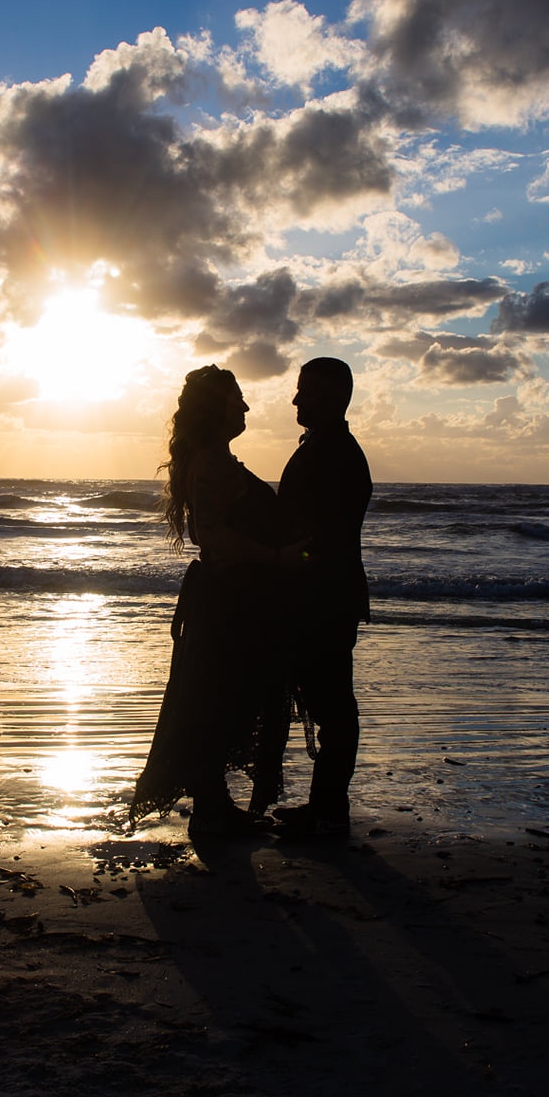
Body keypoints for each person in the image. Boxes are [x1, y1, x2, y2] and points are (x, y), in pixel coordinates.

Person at [128, 365, 307, 838]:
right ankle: (211, 805)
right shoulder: (209, 463)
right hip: (228, 601)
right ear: (216, 408)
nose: (246, 407)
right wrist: (278, 556)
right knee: (218, 698)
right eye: (237, 399)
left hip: (238, 598)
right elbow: (215, 538)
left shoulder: (219, 461)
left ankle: (214, 802)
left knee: (225, 697)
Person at [271, 357, 372, 841]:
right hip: (325, 594)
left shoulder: (334, 453)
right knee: (328, 702)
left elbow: (327, 537)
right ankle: (326, 805)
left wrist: (290, 561)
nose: (295, 400)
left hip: (323, 598)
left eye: (304, 391)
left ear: (330, 398)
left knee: (333, 706)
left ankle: (329, 810)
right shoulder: (330, 448)